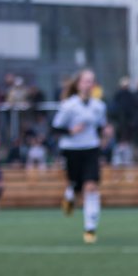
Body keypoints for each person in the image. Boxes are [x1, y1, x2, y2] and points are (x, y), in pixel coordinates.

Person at [51, 69, 107, 244]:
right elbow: (55, 128)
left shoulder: (99, 106)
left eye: (92, 81)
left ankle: (90, 228)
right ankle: (69, 196)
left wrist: (105, 134)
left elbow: (100, 126)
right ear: (78, 84)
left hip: (91, 149)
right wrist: (70, 131)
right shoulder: (69, 105)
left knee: (91, 187)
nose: (89, 84)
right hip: (72, 150)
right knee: (76, 190)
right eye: (86, 81)